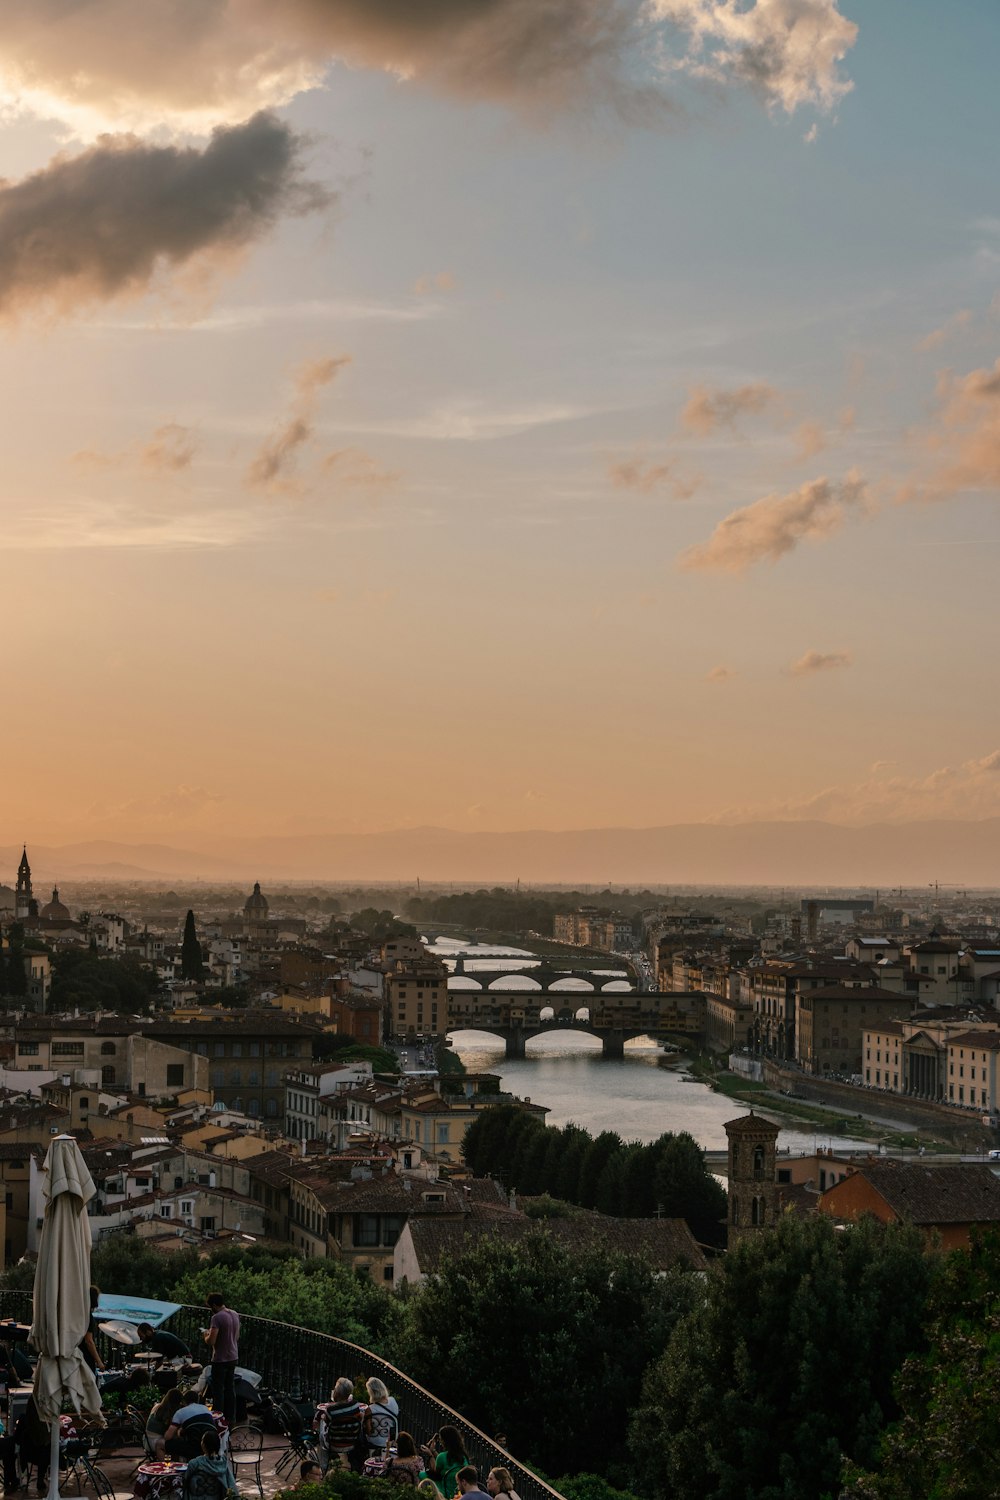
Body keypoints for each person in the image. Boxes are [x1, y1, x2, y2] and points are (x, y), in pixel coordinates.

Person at [203, 1293, 239, 1431]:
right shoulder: (235, 1314)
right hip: (233, 1356)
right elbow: (237, 1336)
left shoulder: (216, 1318)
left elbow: (211, 1340)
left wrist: (205, 1335)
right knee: (230, 1389)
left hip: (220, 1359)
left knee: (218, 1391)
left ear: (214, 1305)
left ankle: (219, 1421)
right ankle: (231, 1419)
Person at [316, 1377, 368, 1471]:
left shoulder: (330, 1410)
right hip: (352, 1443)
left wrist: (323, 1418)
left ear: (338, 1392)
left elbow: (327, 1422)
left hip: (334, 1444)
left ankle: (323, 1466)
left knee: (321, 1430)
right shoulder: (355, 1405)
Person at [182, 1427, 236, 1500]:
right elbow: (231, 1483)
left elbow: (185, 1481)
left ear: (203, 1445)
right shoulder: (223, 1462)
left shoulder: (194, 1463)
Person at [419, 1428, 468, 1500]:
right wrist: (433, 1451)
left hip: (445, 1490)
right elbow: (444, 1462)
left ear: (445, 1441)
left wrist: (430, 1454)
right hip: (459, 1490)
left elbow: (435, 1471)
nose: (440, 1442)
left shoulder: (442, 1456)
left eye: (441, 1439)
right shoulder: (463, 1457)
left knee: (421, 1475)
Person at [147, 1388, 185, 1459]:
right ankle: (171, 1465)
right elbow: (168, 1436)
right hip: (154, 1442)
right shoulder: (169, 1413)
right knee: (178, 1443)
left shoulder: (158, 1406)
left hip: (146, 1440)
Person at [365, 1376, 399, 1452]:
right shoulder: (393, 1401)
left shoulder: (370, 1409)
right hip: (391, 1441)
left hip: (375, 1442)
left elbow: (369, 1431)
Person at [79, 1286, 105, 1375]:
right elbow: (89, 1341)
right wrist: (99, 1361)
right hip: (85, 1356)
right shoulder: (88, 1317)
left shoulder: (79, 1314)